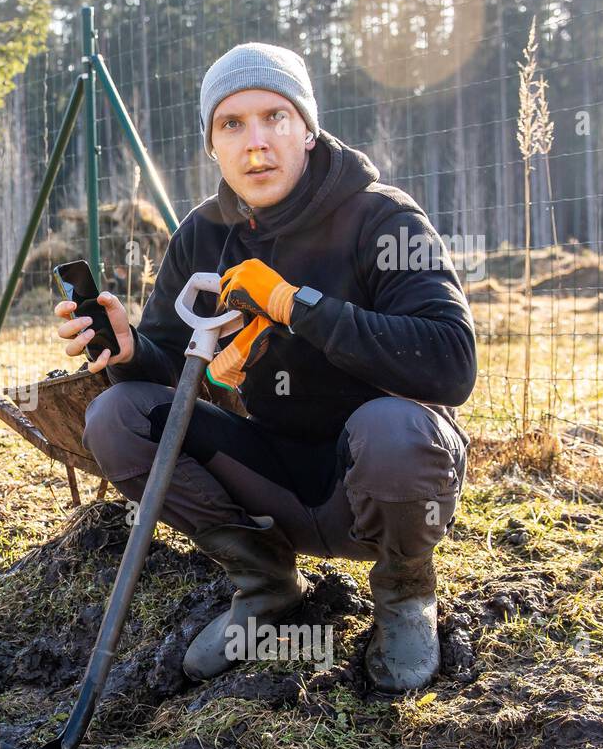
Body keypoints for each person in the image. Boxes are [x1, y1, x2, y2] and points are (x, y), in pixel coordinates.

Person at [55, 43, 477, 692]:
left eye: (274, 117)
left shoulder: (382, 217)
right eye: (232, 124)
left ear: (307, 129)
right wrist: (130, 348)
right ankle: (265, 584)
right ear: (212, 146)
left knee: (397, 429)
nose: (256, 143)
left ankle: (403, 591)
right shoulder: (204, 234)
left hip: (376, 482)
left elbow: (451, 362)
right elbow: (172, 373)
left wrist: (294, 304)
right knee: (115, 417)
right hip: (269, 475)